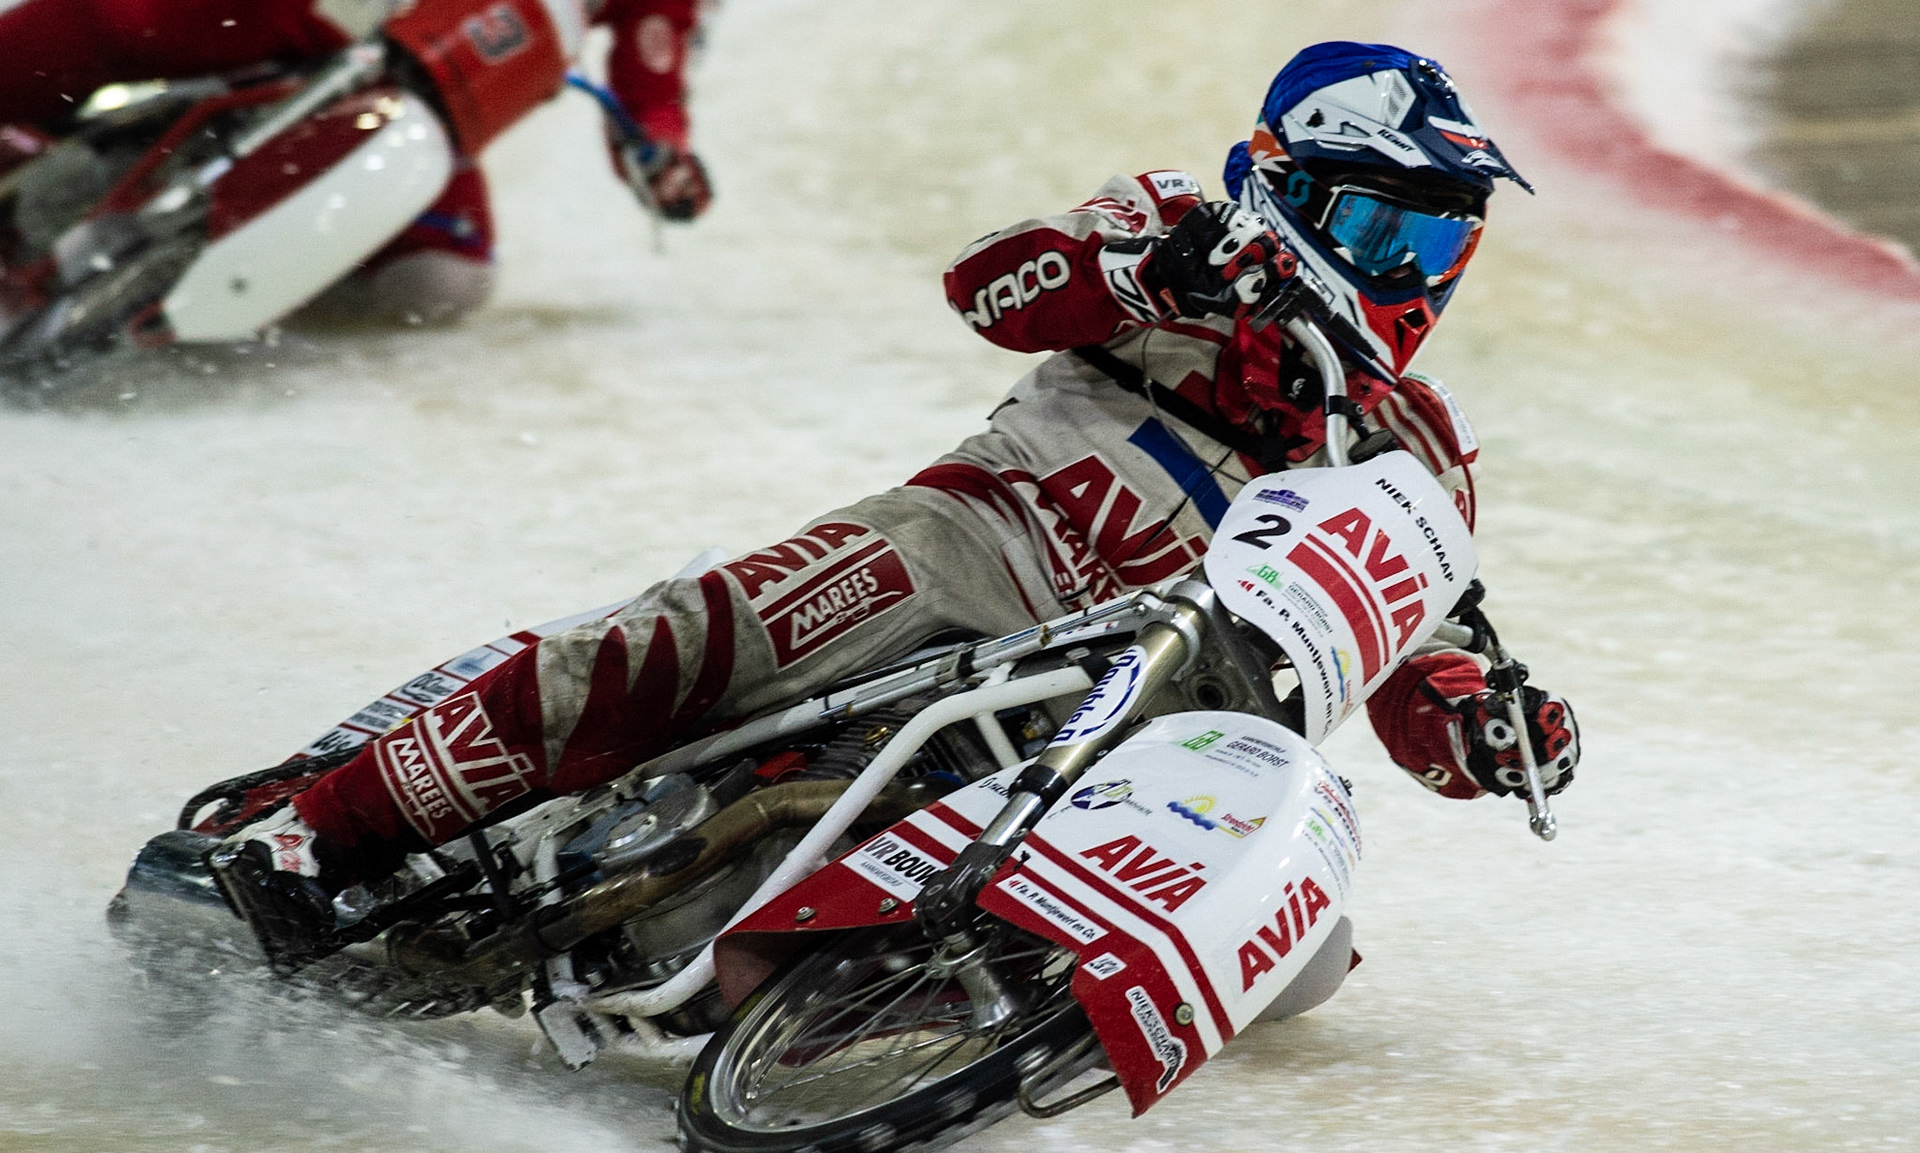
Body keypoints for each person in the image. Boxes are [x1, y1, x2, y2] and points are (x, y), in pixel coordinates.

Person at [208, 41, 1581, 968]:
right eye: (1390, 227)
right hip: (978, 549)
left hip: (1138, 717)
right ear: (1290, 188)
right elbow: (991, 288)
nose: (1418, 273)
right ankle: (318, 827)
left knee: (1309, 953)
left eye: (1443, 239)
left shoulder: (1417, 441)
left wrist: (1485, 726)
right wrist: (1163, 275)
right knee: (695, 638)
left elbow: (1409, 641)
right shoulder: (1185, 229)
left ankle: (840, 1020)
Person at [0, 0, 712, 324]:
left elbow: (652, 87)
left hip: (411, 99)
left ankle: (222, 286)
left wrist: (664, 155)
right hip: (298, 17)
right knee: (120, 19)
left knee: (440, 279)